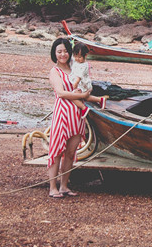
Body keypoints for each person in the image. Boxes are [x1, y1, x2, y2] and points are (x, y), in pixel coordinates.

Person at [46, 37, 89, 199]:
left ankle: (64, 185)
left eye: (65, 51)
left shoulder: (75, 68)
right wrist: (83, 95)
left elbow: (85, 81)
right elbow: (61, 93)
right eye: (59, 52)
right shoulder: (54, 71)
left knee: (71, 152)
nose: (63, 54)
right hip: (63, 113)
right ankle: (52, 187)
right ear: (54, 53)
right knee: (57, 150)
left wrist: (86, 93)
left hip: (77, 115)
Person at [68, 43, 107, 116]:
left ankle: (83, 108)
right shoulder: (76, 61)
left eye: (79, 57)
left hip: (83, 85)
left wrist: (75, 86)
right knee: (86, 97)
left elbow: (78, 78)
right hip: (82, 85)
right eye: (75, 56)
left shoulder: (83, 66)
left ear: (85, 55)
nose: (77, 58)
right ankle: (100, 100)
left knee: (72, 96)